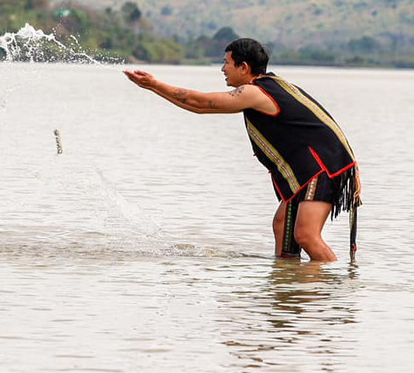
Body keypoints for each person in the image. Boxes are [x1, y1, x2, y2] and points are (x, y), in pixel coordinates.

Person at [124, 37, 360, 261]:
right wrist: (152, 88)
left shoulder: (255, 92)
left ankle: (332, 293)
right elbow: (200, 108)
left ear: (244, 67)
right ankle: (289, 289)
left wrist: (154, 84)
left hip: (323, 167)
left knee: (306, 236)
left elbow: (202, 104)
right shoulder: (268, 86)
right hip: (313, 168)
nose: (222, 69)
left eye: (226, 63)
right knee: (281, 225)